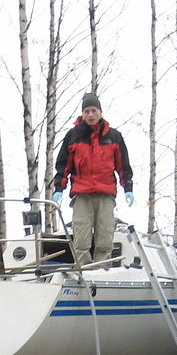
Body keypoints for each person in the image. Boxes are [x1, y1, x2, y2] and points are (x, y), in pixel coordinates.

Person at [52, 92, 134, 267]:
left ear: (100, 112)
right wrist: (59, 188)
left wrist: (128, 188)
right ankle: (84, 273)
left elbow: (123, 165)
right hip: (82, 196)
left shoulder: (114, 136)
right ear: (82, 114)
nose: (90, 115)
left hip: (105, 195)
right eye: (87, 111)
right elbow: (63, 164)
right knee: (81, 240)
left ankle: (102, 272)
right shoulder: (73, 136)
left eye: (93, 110)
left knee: (104, 239)